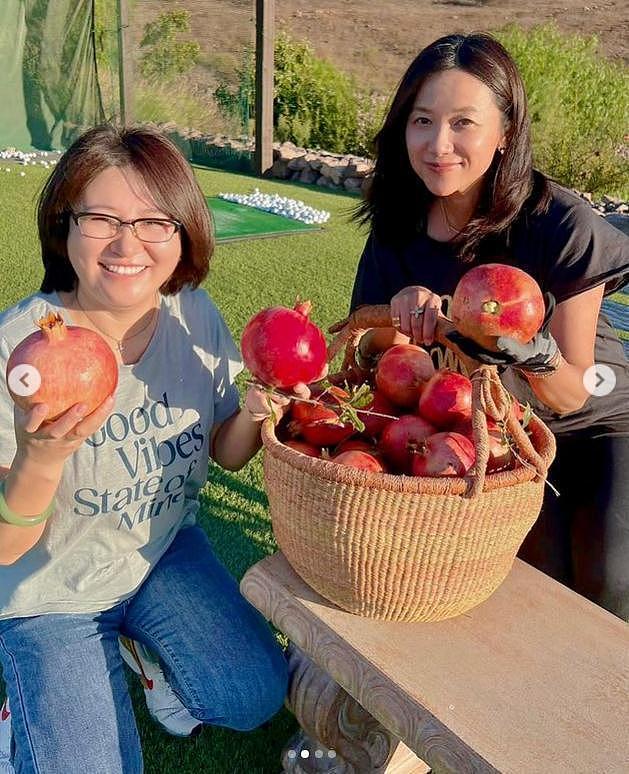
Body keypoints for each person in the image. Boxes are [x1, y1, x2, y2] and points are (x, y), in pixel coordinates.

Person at [0, 124, 302, 774]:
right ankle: (21, 715)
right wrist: (40, 457)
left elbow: (223, 453)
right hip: (49, 595)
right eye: (102, 218)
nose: (127, 244)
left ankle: (146, 657)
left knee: (252, 696)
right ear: (64, 225)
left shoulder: (194, 316)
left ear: (183, 230)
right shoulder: (21, 352)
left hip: (160, 551)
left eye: (153, 221)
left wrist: (252, 414)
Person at [347, 33, 629, 620]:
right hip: (494, 424)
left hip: (599, 417)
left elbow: (577, 389)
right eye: (422, 120)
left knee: (609, 585)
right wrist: (396, 318)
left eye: (463, 124)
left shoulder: (560, 224)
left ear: (504, 134)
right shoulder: (397, 229)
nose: (438, 144)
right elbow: (368, 356)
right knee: (525, 588)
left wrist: (528, 350)